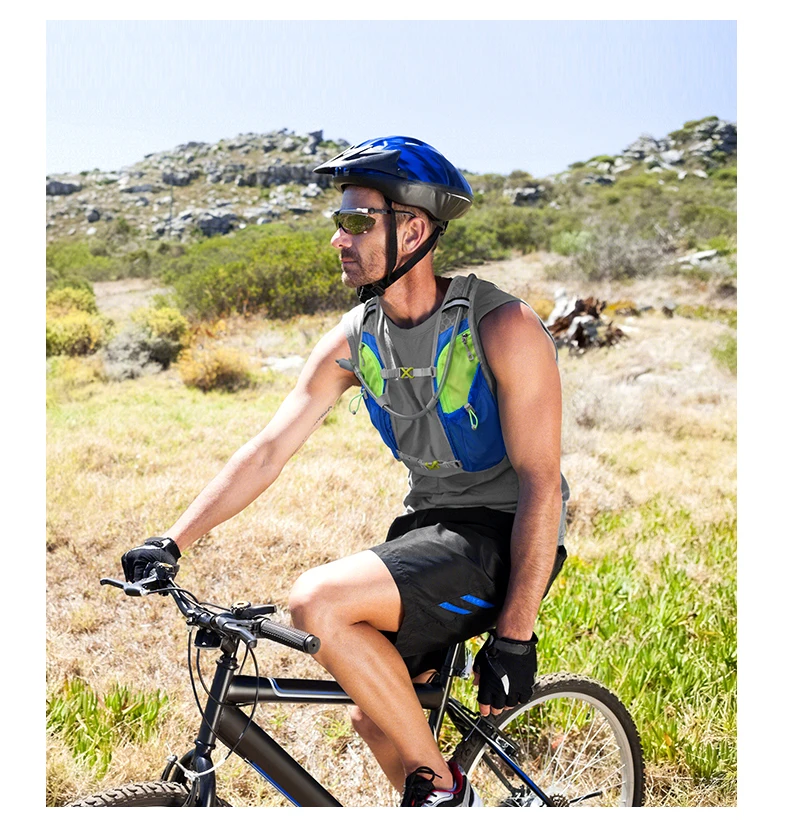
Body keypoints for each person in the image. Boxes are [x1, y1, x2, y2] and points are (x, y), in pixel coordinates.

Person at [121, 135, 570, 808]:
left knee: (318, 601)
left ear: (412, 230)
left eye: (357, 221)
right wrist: (172, 539)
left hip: (503, 535)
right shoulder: (355, 338)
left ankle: (446, 792)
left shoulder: (502, 326)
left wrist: (516, 636)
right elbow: (269, 448)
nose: (338, 238)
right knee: (375, 714)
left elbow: (541, 482)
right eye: (339, 221)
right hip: (429, 531)